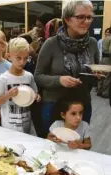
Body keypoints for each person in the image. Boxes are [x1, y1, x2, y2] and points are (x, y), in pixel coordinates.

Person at [34, 0, 99, 137]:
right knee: (53, 146)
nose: (86, 21)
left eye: (89, 17)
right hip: (55, 105)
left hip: (81, 105)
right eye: (81, 17)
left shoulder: (92, 44)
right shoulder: (51, 44)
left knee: (77, 144)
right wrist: (59, 80)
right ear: (68, 19)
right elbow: (38, 76)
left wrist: (96, 76)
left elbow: (95, 73)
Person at [0, 38, 40, 134]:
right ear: (9, 56)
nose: (22, 62)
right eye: (18, 58)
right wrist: (8, 95)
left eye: (25, 58)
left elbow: (35, 93)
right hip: (9, 126)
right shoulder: (3, 79)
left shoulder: (29, 76)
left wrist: (37, 96)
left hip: (27, 122)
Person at [98, 27, 111, 98]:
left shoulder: (105, 38)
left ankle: (99, 91)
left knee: (102, 75)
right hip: (108, 60)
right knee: (107, 77)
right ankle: (105, 93)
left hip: (103, 58)